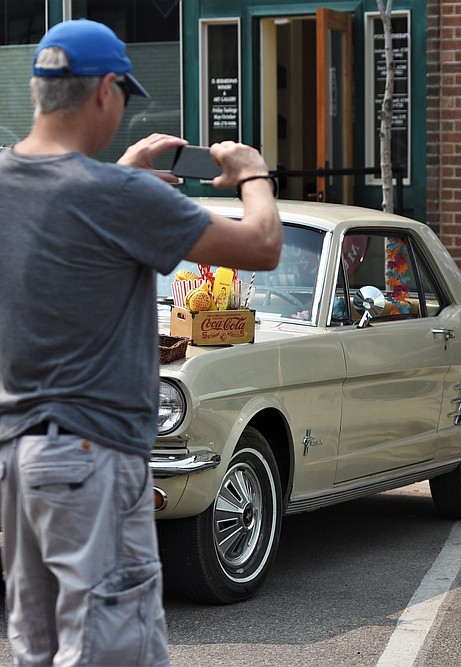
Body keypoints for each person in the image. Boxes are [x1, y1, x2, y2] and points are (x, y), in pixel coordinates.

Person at [0, 19, 281, 666]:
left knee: (37, 647)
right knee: (112, 650)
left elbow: (62, 208)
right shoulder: (114, 195)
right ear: (105, 91)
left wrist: (117, 175)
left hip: (18, 459)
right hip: (92, 457)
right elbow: (262, 244)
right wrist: (253, 173)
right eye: (123, 94)